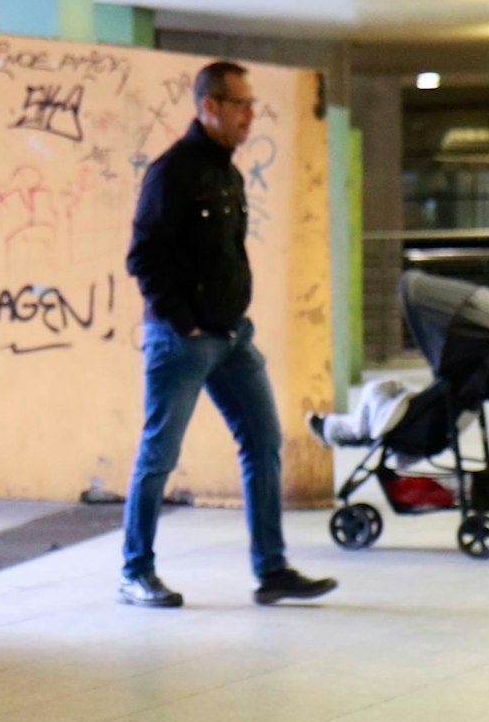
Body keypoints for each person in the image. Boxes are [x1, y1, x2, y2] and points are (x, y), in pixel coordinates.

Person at [118, 61, 336, 608]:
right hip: (183, 341)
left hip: (234, 338)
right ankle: (134, 572)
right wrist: (183, 319)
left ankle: (272, 570)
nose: (250, 115)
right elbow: (143, 255)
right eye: (240, 104)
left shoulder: (227, 171)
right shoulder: (173, 172)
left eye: (251, 104)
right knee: (159, 456)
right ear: (208, 106)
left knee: (264, 443)